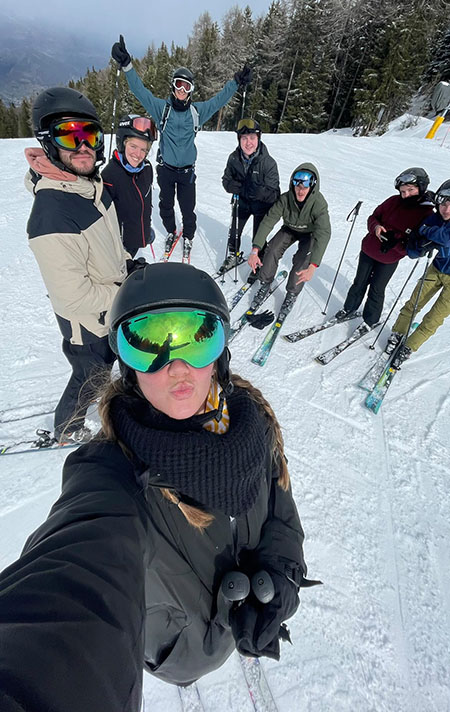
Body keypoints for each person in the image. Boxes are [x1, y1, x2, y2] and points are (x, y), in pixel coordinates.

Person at [0, 263, 312, 712]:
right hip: (180, 653)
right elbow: (75, 575)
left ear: (219, 354)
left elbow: (279, 500)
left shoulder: (252, 424)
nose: (177, 367)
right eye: (150, 345)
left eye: (197, 338)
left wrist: (281, 564)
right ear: (127, 366)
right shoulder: (113, 472)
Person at [25, 87, 127, 442]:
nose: (84, 146)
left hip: (108, 308)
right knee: (90, 376)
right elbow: (72, 297)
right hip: (87, 324)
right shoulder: (51, 213)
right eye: (70, 135)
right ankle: (67, 428)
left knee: (102, 369)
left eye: (91, 135)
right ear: (48, 141)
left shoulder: (91, 187)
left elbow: (111, 247)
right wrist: (124, 293)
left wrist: (128, 266)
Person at [112, 35, 253, 260]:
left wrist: (236, 82)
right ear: (173, 86)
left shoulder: (196, 112)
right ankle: (171, 231)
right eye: (178, 84)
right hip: (166, 170)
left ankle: (188, 236)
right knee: (165, 206)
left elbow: (218, 101)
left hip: (187, 171)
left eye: (186, 86)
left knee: (188, 209)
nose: (181, 89)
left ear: (191, 90)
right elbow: (140, 92)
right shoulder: (162, 109)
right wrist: (127, 65)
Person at [334, 167, 434, 332]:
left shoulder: (426, 214)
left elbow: (414, 247)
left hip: (389, 259)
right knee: (359, 282)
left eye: (410, 190)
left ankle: (370, 320)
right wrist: (376, 227)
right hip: (368, 250)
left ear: (421, 188)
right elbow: (373, 218)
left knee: (377, 289)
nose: (406, 195)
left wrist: (395, 244)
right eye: (403, 191)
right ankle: (349, 308)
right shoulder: (393, 201)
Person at [248, 163, 331, 321]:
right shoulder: (285, 199)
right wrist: (255, 250)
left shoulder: (318, 203)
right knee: (272, 249)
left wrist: (313, 266)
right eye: (297, 185)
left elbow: (324, 233)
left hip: (310, 233)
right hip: (290, 228)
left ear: (312, 186)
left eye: (304, 186)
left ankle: (292, 293)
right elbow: (268, 221)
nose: (300, 190)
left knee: (302, 261)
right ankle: (265, 283)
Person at [387, 179, 450, 367]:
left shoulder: (436, 222)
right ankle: (397, 334)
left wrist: (429, 233)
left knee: (434, 318)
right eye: (444, 203)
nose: (447, 209)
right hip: (437, 268)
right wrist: (424, 238)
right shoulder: (435, 218)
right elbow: (418, 239)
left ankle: (409, 347)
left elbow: (446, 240)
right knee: (413, 303)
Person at [220, 118, 280, 279]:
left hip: (261, 206)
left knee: (258, 237)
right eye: (244, 138)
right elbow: (226, 180)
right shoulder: (234, 158)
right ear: (239, 139)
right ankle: (234, 254)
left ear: (258, 138)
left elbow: (274, 193)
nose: (248, 143)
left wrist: (259, 192)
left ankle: (258, 262)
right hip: (242, 202)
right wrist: (233, 187)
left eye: (252, 138)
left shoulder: (268, 163)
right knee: (234, 232)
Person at [102, 114, 157, 258]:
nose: (138, 155)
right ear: (122, 143)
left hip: (136, 241)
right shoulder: (109, 176)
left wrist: (145, 231)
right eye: (133, 146)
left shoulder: (146, 169)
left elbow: (145, 202)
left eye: (144, 150)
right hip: (118, 248)